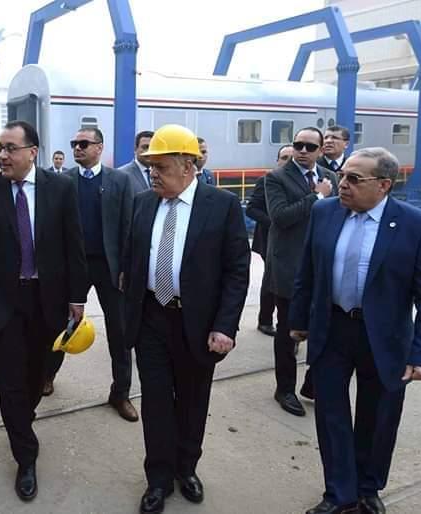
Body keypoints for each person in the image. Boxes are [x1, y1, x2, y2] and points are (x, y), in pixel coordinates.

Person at [289, 148, 421, 514]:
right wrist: (298, 320)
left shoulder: (416, 224)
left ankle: (367, 488)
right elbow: (308, 272)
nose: (342, 184)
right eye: (342, 176)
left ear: (384, 185)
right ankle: (339, 493)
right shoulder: (324, 212)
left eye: (354, 179)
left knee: (378, 416)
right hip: (333, 328)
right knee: (331, 414)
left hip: (385, 336)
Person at [124, 124, 250, 513]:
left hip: (197, 324)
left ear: (187, 166)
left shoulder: (222, 205)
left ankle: (186, 468)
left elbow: (236, 271)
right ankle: (158, 479)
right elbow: (133, 258)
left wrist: (225, 326)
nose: (153, 174)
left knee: (193, 401)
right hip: (151, 318)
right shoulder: (144, 203)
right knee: (156, 402)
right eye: (150, 167)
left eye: (161, 167)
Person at [0, 120, 87, 501]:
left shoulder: (61, 188)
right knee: (11, 382)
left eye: (10, 149)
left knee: (38, 374)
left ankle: (23, 417)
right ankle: (26, 455)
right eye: (0, 149)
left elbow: (74, 245)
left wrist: (77, 298)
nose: (2, 155)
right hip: (4, 302)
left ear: (32, 152)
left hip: (48, 300)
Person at [44, 127, 137, 421]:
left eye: (84, 143)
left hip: (109, 267)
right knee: (61, 324)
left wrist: (125, 268)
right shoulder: (63, 181)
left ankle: (121, 392)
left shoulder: (120, 181)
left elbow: (128, 226)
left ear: (99, 147)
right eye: (74, 143)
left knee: (120, 331)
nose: (77, 148)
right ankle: (47, 375)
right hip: (74, 267)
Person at [265, 127, 338, 416]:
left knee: (324, 326)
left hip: (323, 265)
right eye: (298, 145)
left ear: (320, 150)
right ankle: (284, 389)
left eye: (310, 147)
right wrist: (316, 197)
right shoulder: (276, 178)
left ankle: (312, 383)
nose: (303, 151)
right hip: (289, 266)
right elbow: (280, 217)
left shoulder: (330, 177)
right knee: (287, 330)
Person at [246, 144, 293, 337]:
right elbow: (252, 209)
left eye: (292, 157)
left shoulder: (302, 181)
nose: (288, 161)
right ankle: (265, 320)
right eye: (284, 158)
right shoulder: (266, 180)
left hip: (294, 240)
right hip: (270, 239)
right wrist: (275, 223)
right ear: (277, 160)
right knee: (271, 280)